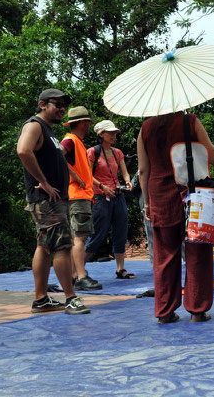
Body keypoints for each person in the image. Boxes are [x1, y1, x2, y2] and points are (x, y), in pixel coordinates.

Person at [138, 111, 214, 324]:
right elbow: (213, 156)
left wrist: (147, 202)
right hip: (192, 195)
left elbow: (143, 171)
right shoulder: (188, 121)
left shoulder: (146, 128)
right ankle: (197, 310)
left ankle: (165, 312)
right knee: (198, 251)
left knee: (164, 255)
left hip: (160, 196)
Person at [16, 88, 90, 315]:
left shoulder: (48, 131)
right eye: (56, 104)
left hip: (54, 199)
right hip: (47, 198)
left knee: (45, 246)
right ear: (42, 104)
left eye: (63, 105)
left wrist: (72, 175)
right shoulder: (34, 125)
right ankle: (70, 297)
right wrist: (44, 182)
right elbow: (23, 150)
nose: (61, 109)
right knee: (62, 246)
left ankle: (41, 300)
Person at [85, 120, 134, 280]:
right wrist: (102, 186)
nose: (114, 135)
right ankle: (77, 270)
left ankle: (120, 269)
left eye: (115, 133)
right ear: (101, 134)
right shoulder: (93, 152)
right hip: (100, 196)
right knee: (98, 233)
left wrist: (128, 182)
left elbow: (124, 172)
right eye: (110, 133)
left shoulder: (117, 152)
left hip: (117, 196)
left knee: (121, 230)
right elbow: (87, 175)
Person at [60, 106, 102, 291]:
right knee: (79, 238)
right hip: (77, 196)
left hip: (79, 196)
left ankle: (73, 275)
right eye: (87, 123)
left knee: (75, 237)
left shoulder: (77, 142)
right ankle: (81, 276)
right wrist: (74, 176)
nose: (88, 126)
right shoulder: (70, 141)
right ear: (82, 123)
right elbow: (57, 156)